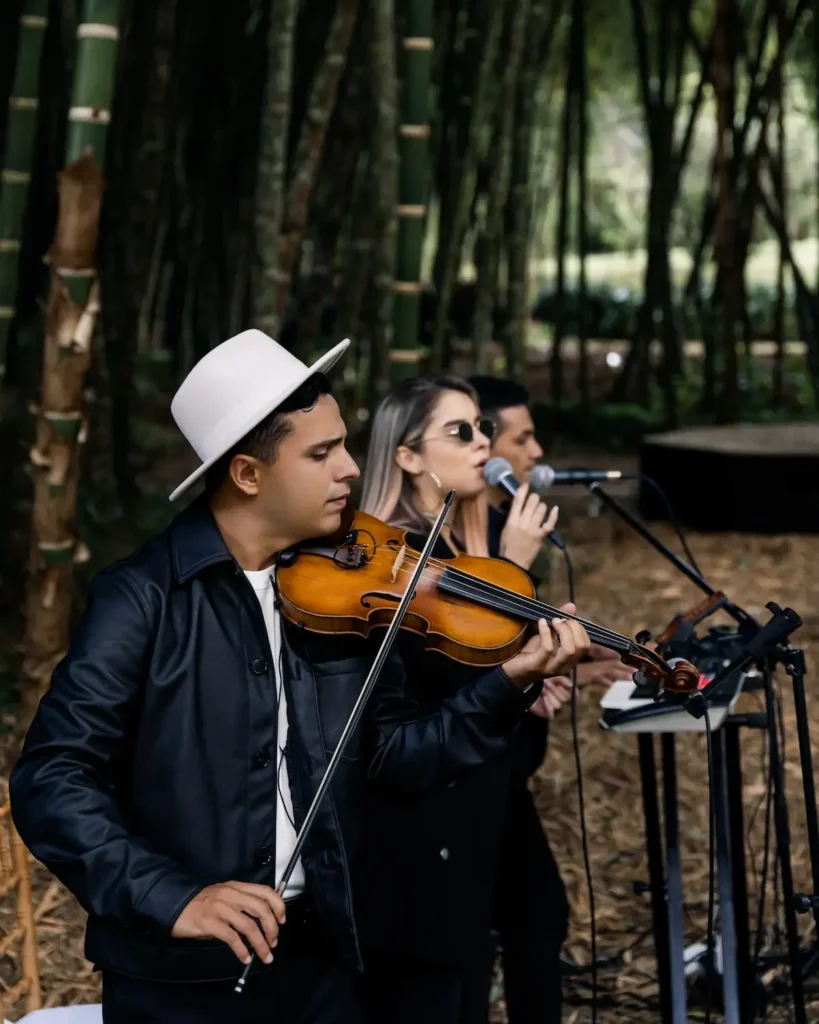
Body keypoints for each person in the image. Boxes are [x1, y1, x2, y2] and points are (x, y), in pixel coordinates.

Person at [10, 332, 589, 1024]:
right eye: (321, 454)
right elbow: (52, 779)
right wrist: (172, 896)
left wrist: (509, 680)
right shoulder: (144, 597)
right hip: (181, 981)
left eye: (343, 443)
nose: (349, 468)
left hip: (325, 963)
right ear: (248, 475)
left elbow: (392, 757)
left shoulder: (340, 593)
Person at [357, 375, 591, 1024]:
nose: (480, 443)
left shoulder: (469, 537)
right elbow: (440, 694)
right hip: (413, 827)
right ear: (406, 456)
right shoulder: (383, 561)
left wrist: (536, 665)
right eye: (459, 432)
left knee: (508, 941)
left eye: (481, 429)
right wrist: (511, 576)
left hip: (479, 805)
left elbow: (490, 684)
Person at [470, 375, 631, 1023]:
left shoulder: (502, 528)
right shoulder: (474, 537)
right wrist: (532, 672)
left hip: (500, 771)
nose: (537, 452)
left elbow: (518, 632)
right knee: (530, 918)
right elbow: (477, 648)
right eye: (524, 437)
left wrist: (589, 657)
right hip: (473, 771)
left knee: (532, 917)